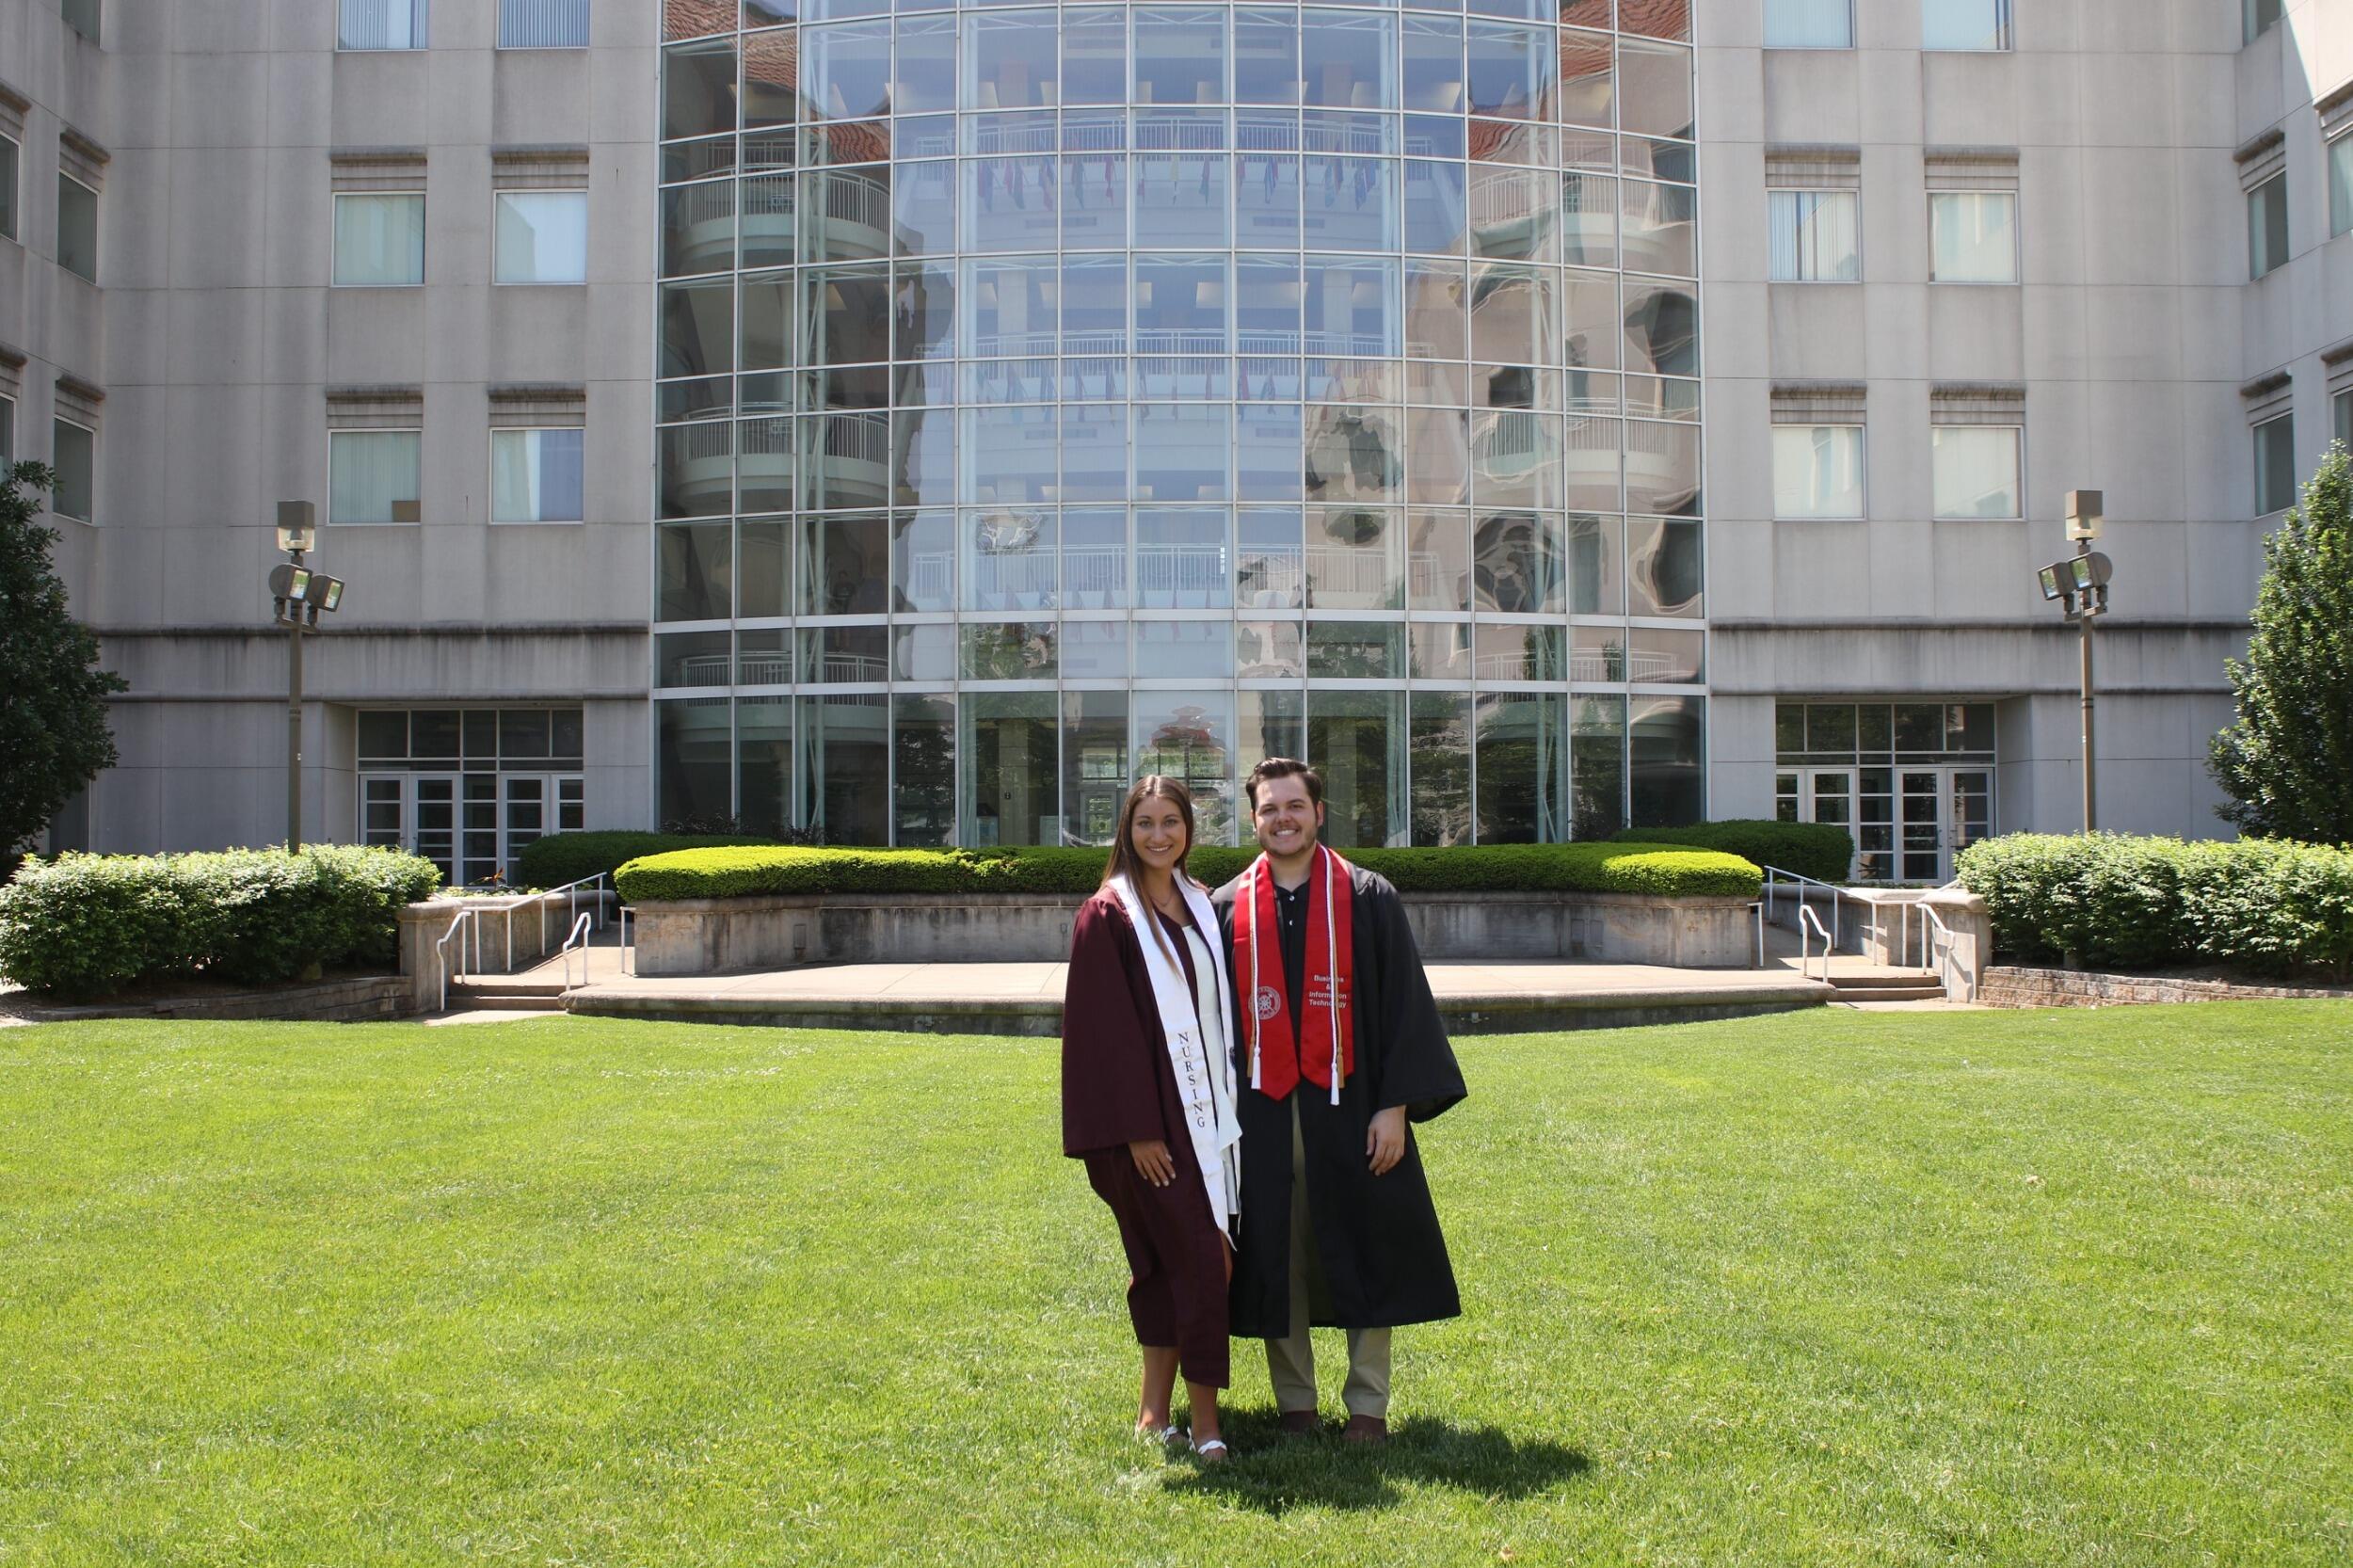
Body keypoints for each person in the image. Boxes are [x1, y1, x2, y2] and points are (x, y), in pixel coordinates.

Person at [1211, 758, 1466, 1445]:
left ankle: (1367, 1407)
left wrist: (1396, 1107)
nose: (1283, 819)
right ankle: (1295, 1403)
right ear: (1254, 818)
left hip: (1353, 1107)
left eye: (1295, 806)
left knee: (1365, 1240)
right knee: (1275, 1251)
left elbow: (1402, 1006)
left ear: (1319, 813)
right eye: (1269, 809)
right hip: (1260, 1114)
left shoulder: (1367, 895)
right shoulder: (1228, 906)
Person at [1061, 776, 1244, 1464]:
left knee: (1181, 1264)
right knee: (1201, 1260)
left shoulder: (1202, 906)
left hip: (1208, 1120)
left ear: (1189, 829)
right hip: (1150, 1129)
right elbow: (1102, 1033)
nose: (1159, 834)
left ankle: (1151, 1412)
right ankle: (1204, 1423)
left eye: (1172, 821)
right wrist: (1138, 1129)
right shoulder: (1108, 915)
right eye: (1145, 822)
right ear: (1125, 830)